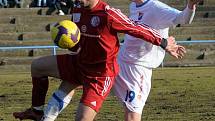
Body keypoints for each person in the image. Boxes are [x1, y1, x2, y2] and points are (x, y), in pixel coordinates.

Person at [13, 0, 185, 121]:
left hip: (100, 75)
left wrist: (163, 43)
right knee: (37, 67)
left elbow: (136, 28)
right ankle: (36, 112)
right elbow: (77, 38)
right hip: (79, 62)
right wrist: (69, 44)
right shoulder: (78, 8)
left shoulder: (108, 14)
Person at [113, 0, 202, 121]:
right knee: (132, 112)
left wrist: (191, 5)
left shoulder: (156, 7)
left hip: (137, 67)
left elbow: (183, 19)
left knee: (131, 110)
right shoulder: (133, 5)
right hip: (125, 64)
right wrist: (164, 43)